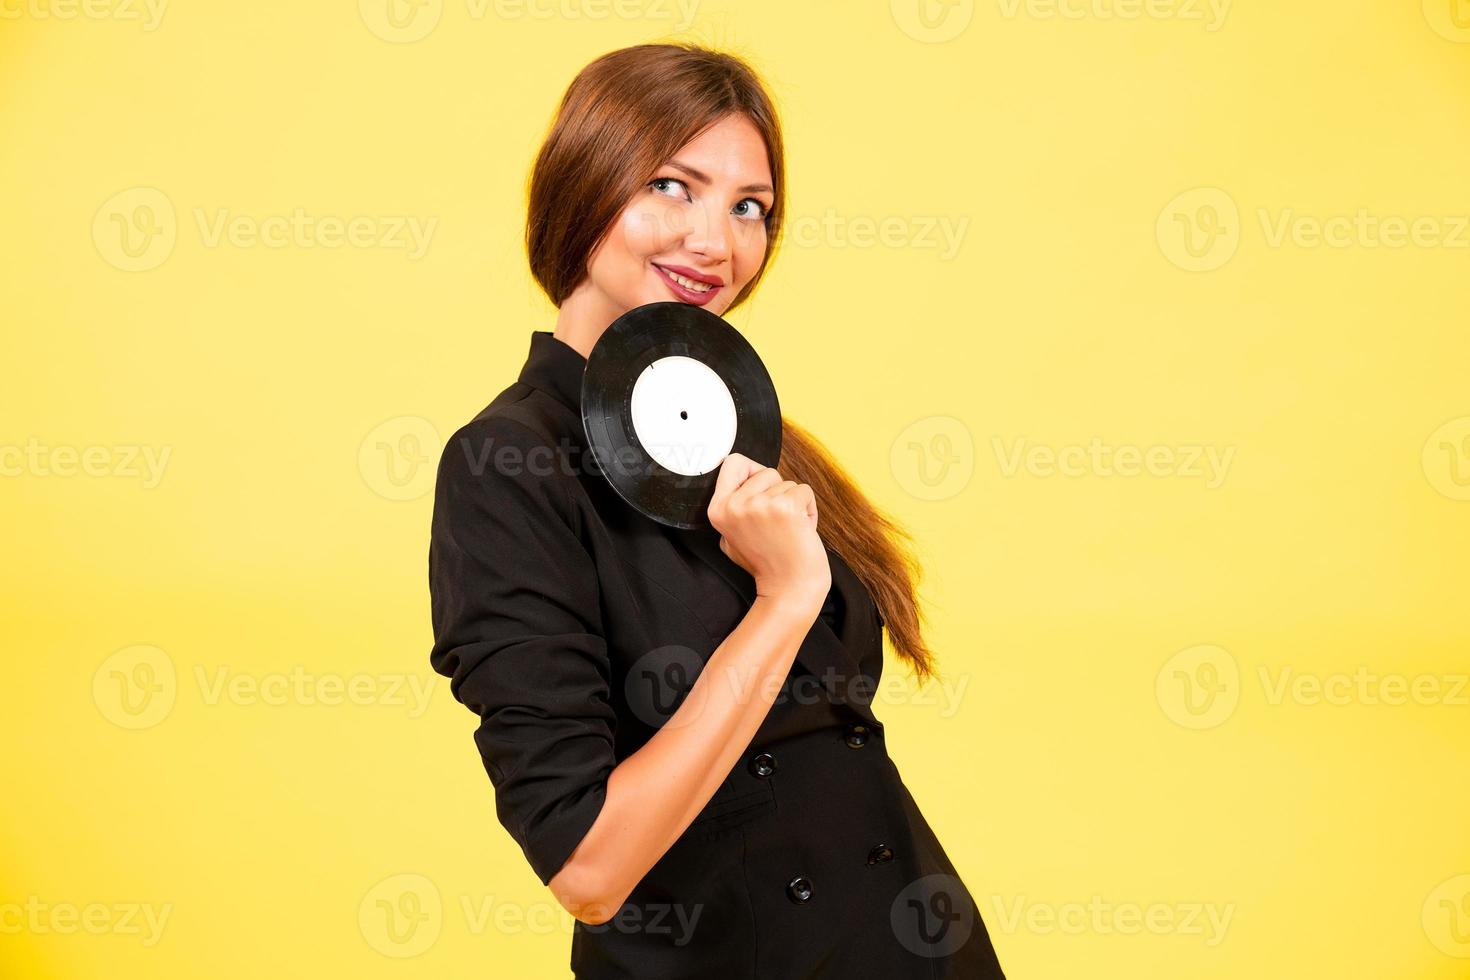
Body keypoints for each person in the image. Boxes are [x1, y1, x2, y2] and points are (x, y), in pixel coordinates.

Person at [428, 41, 1007, 979]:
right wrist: (782, 602)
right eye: (672, 185)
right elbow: (589, 869)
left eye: (751, 208)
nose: (717, 241)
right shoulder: (509, 466)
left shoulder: (751, 437)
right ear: (584, 182)